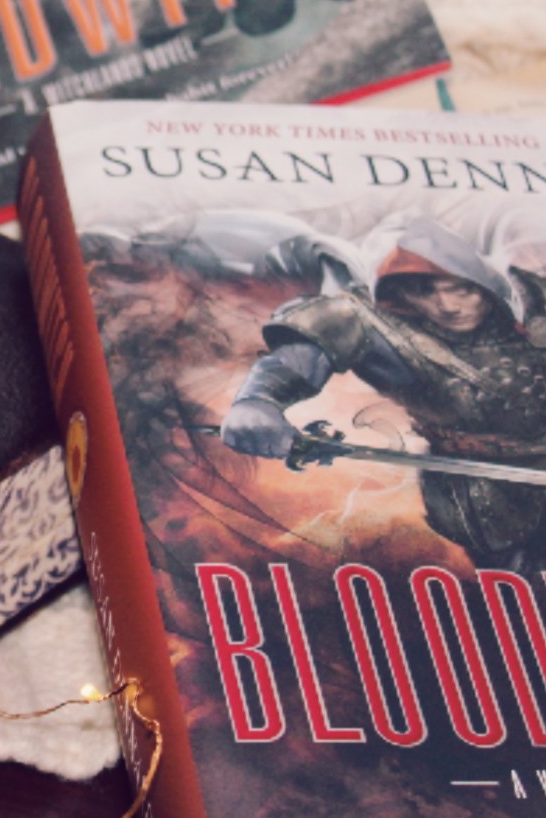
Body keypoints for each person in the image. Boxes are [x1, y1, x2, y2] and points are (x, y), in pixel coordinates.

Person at [221, 218, 546, 570]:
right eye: (426, 292)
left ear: (484, 283)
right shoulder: (374, 321)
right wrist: (258, 401)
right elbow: (300, 359)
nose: (448, 306)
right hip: (480, 490)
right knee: (513, 583)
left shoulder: (533, 298)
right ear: (402, 292)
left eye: (462, 291)